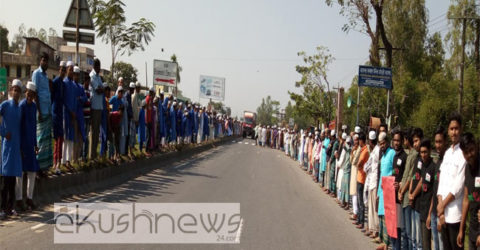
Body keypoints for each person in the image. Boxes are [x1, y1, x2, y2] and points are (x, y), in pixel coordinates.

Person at [437, 113, 466, 250]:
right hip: (443, 214)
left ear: (461, 130)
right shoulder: (447, 153)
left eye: (456, 128)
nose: (454, 132)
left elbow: (458, 187)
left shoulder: (463, 153)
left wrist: (442, 205)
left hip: (455, 214)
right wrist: (441, 210)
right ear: (448, 131)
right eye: (451, 129)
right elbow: (441, 183)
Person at [0, 79, 23, 218]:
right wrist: (2, 132)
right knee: (5, 179)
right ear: (10, 91)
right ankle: (2, 208)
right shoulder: (5, 105)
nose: (15, 92)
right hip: (7, 147)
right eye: (14, 90)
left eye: (18, 91)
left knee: (13, 180)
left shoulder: (19, 109)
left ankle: (11, 207)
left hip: (16, 148)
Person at [399, 127, 423, 250]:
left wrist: (403, 191)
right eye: (414, 141)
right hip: (405, 195)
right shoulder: (411, 155)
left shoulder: (415, 155)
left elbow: (410, 177)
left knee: (410, 234)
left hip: (409, 196)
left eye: (416, 141)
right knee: (406, 231)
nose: (415, 144)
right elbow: (406, 175)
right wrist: (400, 190)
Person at [16, 81, 39, 211]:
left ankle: (29, 198)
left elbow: (34, 126)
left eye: (32, 94)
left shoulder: (34, 107)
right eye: (28, 94)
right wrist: (19, 146)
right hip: (22, 144)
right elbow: (19, 127)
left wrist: (35, 144)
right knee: (20, 173)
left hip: (31, 144)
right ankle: (19, 199)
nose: (30, 96)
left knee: (32, 171)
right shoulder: (21, 106)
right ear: (25, 93)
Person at [457, 132, 479, 250]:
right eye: (466, 152)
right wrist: (461, 229)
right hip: (473, 230)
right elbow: (466, 199)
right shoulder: (467, 168)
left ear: (476, 146)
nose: (470, 154)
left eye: (471, 150)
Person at [32, 52, 53, 172]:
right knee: (40, 141)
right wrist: (39, 111)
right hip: (41, 113)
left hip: (47, 112)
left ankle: (44, 168)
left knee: (47, 143)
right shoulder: (36, 74)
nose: (45, 62)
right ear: (40, 61)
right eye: (43, 60)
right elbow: (35, 93)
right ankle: (37, 168)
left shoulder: (45, 76)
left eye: (47, 61)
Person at [428, 127, 447, 250]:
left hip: (442, 213)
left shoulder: (447, 161)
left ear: (445, 141)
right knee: (435, 245)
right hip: (434, 212)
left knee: (441, 246)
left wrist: (441, 215)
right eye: (436, 142)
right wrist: (430, 213)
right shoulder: (438, 161)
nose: (438, 145)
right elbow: (435, 190)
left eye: (440, 142)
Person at [414, 139, 436, 250]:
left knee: (427, 243)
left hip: (429, 210)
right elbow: (421, 182)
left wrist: (429, 215)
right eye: (421, 152)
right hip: (421, 208)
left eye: (425, 152)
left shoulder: (434, 167)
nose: (423, 155)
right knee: (422, 241)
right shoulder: (424, 165)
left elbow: (434, 193)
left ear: (430, 151)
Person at [377, 131, 396, 250]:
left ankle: (387, 244)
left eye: (383, 143)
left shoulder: (392, 153)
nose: (382, 146)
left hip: (389, 190)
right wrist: (379, 192)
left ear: (387, 142)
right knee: (381, 215)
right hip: (381, 189)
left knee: (388, 217)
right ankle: (383, 241)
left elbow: (395, 171)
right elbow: (381, 173)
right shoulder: (383, 155)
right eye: (380, 144)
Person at [390, 129, 408, 250]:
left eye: (398, 140)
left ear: (402, 141)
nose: (396, 142)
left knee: (399, 227)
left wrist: (400, 185)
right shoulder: (392, 154)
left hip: (399, 196)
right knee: (391, 225)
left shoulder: (404, 157)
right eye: (395, 140)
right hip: (389, 194)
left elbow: (407, 176)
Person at [364, 130, 380, 239]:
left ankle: (376, 230)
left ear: (370, 141)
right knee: (370, 206)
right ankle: (371, 228)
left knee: (374, 207)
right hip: (370, 181)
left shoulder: (377, 151)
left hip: (375, 181)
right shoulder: (374, 150)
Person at [52, 61, 66, 174]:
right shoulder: (56, 81)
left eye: (64, 70)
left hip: (61, 113)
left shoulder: (63, 84)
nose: (62, 72)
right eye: (61, 70)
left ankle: (58, 163)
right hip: (54, 113)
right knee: (56, 139)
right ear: (59, 70)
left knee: (60, 139)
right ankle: (54, 162)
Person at [62, 62, 77, 170]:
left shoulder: (73, 84)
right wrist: (70, 111)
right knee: (65, 138)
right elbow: (64, 99)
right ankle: (63, 161)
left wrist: (74, 112)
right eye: (70, 69)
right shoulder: (64, 83)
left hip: (73, 114)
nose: (71, 71)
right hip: (66, 114)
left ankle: (68, 160)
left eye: (72, 70)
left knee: (71, 138)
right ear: (66, 70)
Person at [89, 58, 104, 160]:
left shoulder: (99, 77)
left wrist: (101, 89)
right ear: (94, 67)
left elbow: (102, 88)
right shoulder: (92, 76)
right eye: (98, 67)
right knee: (93, 132)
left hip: (99, 107)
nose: (99, 68)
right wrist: (101, 89)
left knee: (97, 132)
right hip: (94, 107)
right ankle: (91, 155)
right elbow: (99, 90)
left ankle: (94, 154)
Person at [355, 132, 369, 230]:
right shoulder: (363, 150)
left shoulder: (365, 151)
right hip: (360, 177)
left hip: (362, 178)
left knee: (361, 201)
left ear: (361, 141)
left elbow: (359, 163)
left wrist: (358, 166)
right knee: (360, 200)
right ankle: (359, 220)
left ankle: (361, 221)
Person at [73, 66, 87, 164]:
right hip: (73, 115)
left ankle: (77, 158)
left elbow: (85, 98)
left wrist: (80, 99)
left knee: (80, 137)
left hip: (80, 115)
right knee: (73, 138)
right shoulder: (70, 85)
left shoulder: (80, 87)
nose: (76, 76)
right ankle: (73, 159)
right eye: (75, 74)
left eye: (78, 75)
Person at [82, 73, 91, 161]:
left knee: (86, 137)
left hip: (88, 116)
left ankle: (85, 155)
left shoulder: (89, 91)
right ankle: (83, 155)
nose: (88, 83)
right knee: (83, 137)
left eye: (89, 81)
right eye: (87, 81)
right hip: (83, 117)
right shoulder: (82, 90)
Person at [126, 82, 135, 159]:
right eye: (132, 89)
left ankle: (129, 151)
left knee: (130, 135)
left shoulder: (130, 96)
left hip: (129, 117)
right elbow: (127, 107)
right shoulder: (127, 95)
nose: (133, 90)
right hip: (127, 118)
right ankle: (127, 152)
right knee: (127, 135)